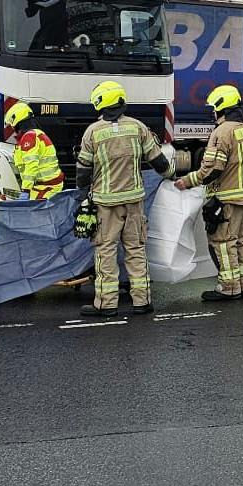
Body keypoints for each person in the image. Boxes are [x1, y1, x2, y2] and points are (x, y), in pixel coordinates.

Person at [74, 80, 170, 317]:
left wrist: (82, 196)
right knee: (136, 248)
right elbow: (159, 162)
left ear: (100, 104)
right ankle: (142, 301)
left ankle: (106, 304)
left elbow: (83, 171)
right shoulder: (138, 127)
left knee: (105, 251)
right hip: (134, 202)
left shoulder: (93, 132)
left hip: (106, 204)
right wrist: (171, 177)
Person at [175, 84, 243, 302]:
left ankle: (229, 287)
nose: (213, 111)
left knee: (223, 242)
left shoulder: (221, 132)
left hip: (227, 197)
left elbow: (212, 169)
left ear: (221, 107)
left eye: (214, 107)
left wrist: (188, 181)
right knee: (242, 241)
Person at [3, 101, 64, 199]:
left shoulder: (29, 137)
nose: (13, 128)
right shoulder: (35, 134)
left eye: (12, 125)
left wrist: (25, 190)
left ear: (16, 121)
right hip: (44, 186)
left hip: (46, 188)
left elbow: (31, 166)